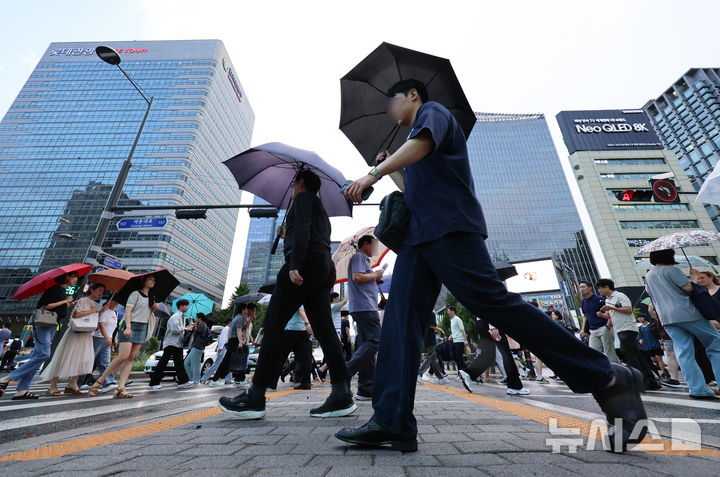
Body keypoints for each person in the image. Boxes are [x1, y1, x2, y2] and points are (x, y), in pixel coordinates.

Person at [337, 78, 646, 453]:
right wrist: (384, 167)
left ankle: (608, 377)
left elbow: (419, 147)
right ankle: (391, 419)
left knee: (492, 303)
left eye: (392, 102)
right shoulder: (414, 144)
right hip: (419, 240)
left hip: (450, 229)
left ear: (413, 95)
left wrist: (377, 171)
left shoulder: (434, 114)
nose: (390, 112)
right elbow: (412, 182)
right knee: (399, 323)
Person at [218, 169, 355, 419]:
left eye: (293, 185)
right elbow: (305, 232)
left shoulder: (302, 200)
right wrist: (287, 235)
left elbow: (302, 231)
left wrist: (293, 263)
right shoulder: (320, 208)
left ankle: (256, 396)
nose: (291, 189)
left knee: (273, 324)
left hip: (303, 267)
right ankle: (342, 393)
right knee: (324, 329)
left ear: (300, 183)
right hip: (324, 268)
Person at [645, 250, 720, 399]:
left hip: (667, 318)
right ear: (669, 257)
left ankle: (698, 389)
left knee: (684, 352)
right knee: (715, 343)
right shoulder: (672, 270)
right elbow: (688, 288)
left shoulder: (648, 275)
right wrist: (694, 276)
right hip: (687, 313)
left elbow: (650, 294)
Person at [1, 271, 78, 400]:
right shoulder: (55, 289)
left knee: (36, 358)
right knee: (44, 354)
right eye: (74, 276)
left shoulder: (62, 291)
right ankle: (8, 378)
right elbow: (46, 306)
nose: (76, 280)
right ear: (67, 277)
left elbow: (58, 307)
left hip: (51, 325)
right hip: (43, 325)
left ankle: (22, 390)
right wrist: (65, 301)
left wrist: (69, 304)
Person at [89, 275, 158, 399]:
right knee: (123, 356)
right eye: (150, 279)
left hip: (142, 327)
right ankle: (99, 382)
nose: (152, 282)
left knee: (131, 357)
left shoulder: (152, 298)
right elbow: (128, 311)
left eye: (154, 280)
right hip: (130, 325)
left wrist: (153, 309)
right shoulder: (135, 294)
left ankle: (121, 388)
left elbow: (145, 313)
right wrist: (128, 327)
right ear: (144, 281)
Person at [595, 279, 660, 391]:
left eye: (600, 288)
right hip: (620, 330)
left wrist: (611, 308)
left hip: (628, 329)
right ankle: (651, 381)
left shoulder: (620, 296)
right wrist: (602, 315)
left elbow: (629, 310)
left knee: (629, 355)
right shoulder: (607, 300)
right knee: (637, 355)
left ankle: (642, 381)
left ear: (606, 287)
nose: (599, 291)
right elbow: (612, 316)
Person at [41, 283, 106, 396]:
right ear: (92, 290)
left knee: (83, 359)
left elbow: (91, 318)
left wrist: (99, 312)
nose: (101, 293)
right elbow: (75, 315)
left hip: (86, 334)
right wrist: (92, 311)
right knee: (65, 357)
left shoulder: (95, 304)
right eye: (99, 290)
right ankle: (53, 386)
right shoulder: (82, 300)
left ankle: (73, 384)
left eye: (103, 291)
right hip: (75, 333)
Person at [345, 234, 383, 400]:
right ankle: (346, 371)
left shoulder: (362, 259)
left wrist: (375, 280)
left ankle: (365, 388)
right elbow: (357, 277)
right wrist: (374, 275)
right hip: (365, 308)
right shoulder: (359, 257)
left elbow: (362, 279)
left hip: (363, 307)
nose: (375, 248)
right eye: (373, 244)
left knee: (366, 346)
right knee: (374, 341)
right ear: (365, 244)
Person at [148, 299, 192, 390]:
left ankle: (183, 381)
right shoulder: (175, 316)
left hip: (177, 343)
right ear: (181, 306)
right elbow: (174, 330)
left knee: (179, 363)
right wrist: (185, 329)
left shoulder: (182, 317)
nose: (187, 307)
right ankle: (153, 383)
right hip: (171, 343)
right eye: (186, 305)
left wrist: (186, 328)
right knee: (163, 363)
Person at [579, 281, 619, 364]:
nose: (581, 289)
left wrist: (607, 326)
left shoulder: (600, 300)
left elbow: (610, 312)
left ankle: (617, 371)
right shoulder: (583, 302)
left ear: (590, 288)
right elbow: (585, 315)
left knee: (609, 352)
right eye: (580, 287)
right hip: (592, 331)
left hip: (604, 328)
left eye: (583, 287)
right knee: (592, 353)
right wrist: (582, 329)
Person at [278, 307, 314, 390]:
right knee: (306, 358)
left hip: (291, 330)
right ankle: (306, 383)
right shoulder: (306, 298)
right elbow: (302, 310)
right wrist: (307, 324)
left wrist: (306, 323)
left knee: (281, 356)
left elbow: (301, 310)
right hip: (303, 331)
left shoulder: (294, 297)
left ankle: (271, 381)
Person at [91, 299, 120, 393]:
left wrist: (113, 338)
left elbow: (113, 328)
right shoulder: (104, 311)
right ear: (109, 300)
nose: (116, 303)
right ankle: (78, 382)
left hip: (108, 339)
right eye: (115, 300)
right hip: (98, 338)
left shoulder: (114, 312)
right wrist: (107, 337)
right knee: (90, 361)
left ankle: (108, 382)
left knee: (105, 362)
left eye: (117, 301)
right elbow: (101, 325)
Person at [318, 292, 349, 380]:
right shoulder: (334, 306)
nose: (339, 299)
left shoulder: (330, 307)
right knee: (336, 354)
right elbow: (346, 301)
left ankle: (324, 371)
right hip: (335, 332)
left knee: (336, 354)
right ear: (334, 299)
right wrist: (350, 285)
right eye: (338, 298)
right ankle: (321, 369)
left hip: (335, 331)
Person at [201, 318, 233, 385]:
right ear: (229, 322)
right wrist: (220, 348)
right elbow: (222, 339)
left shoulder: (228, 329)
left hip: (225, 348)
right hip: (223, 348)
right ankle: (204, 379)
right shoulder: (226, 329)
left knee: (228, 363)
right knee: (217, 364)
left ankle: (228, 379)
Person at [417, 317, 448, 385]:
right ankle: (419, 374)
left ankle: (441, 378)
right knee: (430, 356)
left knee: (434, 359)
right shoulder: (431, 313)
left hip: (426, 338)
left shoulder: (424, 314)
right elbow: (431, 325)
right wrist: (440, 329)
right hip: (430, 339)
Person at [637, 313, 667, 379]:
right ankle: (665, 369)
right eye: (638, 317)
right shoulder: (640, 328)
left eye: (641, 317)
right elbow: (641, 338)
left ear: (644, 317)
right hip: (648, 347)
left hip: (656, 345)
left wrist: (661, 343)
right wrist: (639, 345)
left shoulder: (651, 325)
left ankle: (664, 373)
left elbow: (656, 334)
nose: (639, 319)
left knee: (659, 360)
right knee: (654, 360)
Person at [185, 313, 210, 385]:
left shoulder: (202, 325)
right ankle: (191, 379)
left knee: (195, 365)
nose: (195, 319)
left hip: (198, 347)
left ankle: (196, 381)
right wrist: (192, 322)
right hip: (195, 347)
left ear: (200, 318)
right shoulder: (200, 325)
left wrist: (192, 323)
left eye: (196, 317)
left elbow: (194, 328)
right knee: (186, 363)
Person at [448, 307, 467, 373]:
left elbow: (462, 330)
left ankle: (461, 372)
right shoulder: (451, 320)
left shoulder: (458, 319)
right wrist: (451, 335)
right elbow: (454, 330)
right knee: (454, 356)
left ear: (453, 311)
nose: (448, 312)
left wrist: (465, 340)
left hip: (460, 341)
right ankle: (465, 370)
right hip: (454, 341)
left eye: (449, 311)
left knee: (459, 357)